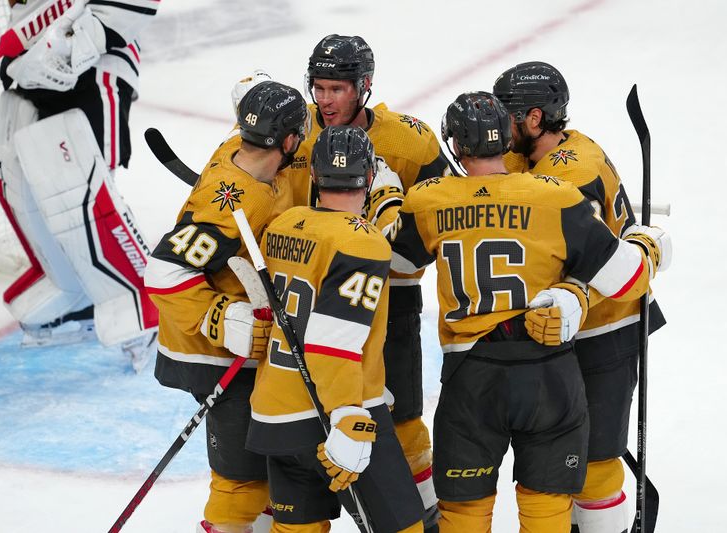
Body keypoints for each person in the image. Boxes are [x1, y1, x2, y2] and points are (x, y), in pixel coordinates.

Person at [388, 92, 671, 532]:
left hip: (471, 379)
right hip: (549, 376)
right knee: (547, 510)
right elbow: (626, 280)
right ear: (507, 138)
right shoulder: (554, 196)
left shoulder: (429, 200)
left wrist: (382, 200)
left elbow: (395, 266)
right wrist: (646, 244)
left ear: (457, 146)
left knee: (463, 514)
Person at [493, 61, 668, 533]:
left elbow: (591, 262)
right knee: (562, 455)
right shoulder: (552, 152)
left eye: (504, 115)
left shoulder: (574, 173)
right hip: (567, 331)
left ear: (533, 119)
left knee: (593, 462)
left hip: (606, 328)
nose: (496, 125)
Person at [284, 35, 451, 526]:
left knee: (400, 420)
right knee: (300, 416)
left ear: (364, 86)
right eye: (318, 87)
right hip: (308, 298)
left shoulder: (411, 141)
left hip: (390, 298)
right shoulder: (294, 130)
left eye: (336, 88)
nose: (325, 100)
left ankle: (425, 514)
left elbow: (438, 218)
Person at [144, 81, 308, 533]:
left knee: (265, 469)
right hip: (211, 349)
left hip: (237, 345)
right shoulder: (231, 205)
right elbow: (162, 272)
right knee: (241, 479)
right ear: (288, 140)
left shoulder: (239, 147)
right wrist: (222, 317)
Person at [246, 125, 424, 533]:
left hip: (275, 413)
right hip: (334, 415)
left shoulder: (285, 224)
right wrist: (348, 414)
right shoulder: (363, 242)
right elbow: (333, 340)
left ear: (314, 176)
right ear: (369, 176)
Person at [0, 0, 159, 367]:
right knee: (18, 185)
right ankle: (73, 290)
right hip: (26, 63)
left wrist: (87, 34)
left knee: (80, 192)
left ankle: (136, 298)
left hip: (92, 62)